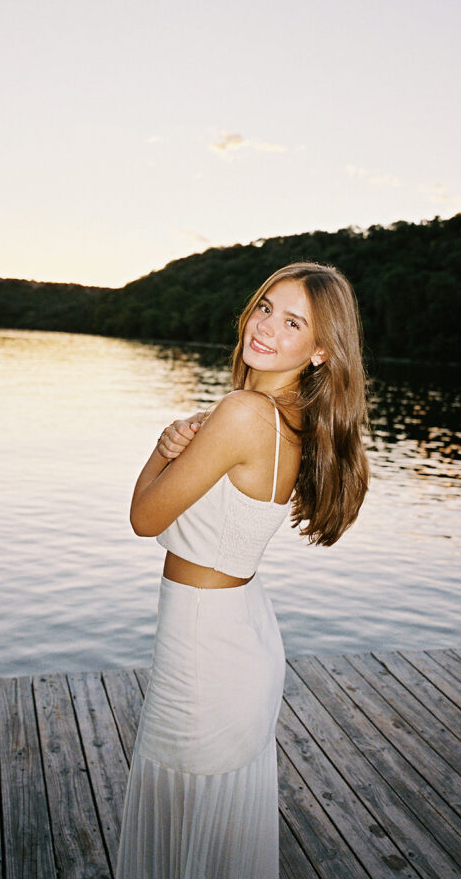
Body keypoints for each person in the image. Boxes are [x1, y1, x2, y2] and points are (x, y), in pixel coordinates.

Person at [115, 261, 369, 879]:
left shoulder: (244, 412)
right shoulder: (288, 419)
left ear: (319, 350)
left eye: (292, 323)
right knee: (207, 825)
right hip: (234, 631)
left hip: (207, 646)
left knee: (185, 820)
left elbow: (146, 518)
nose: (266, 328)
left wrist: (160, 448)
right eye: (264, 308)